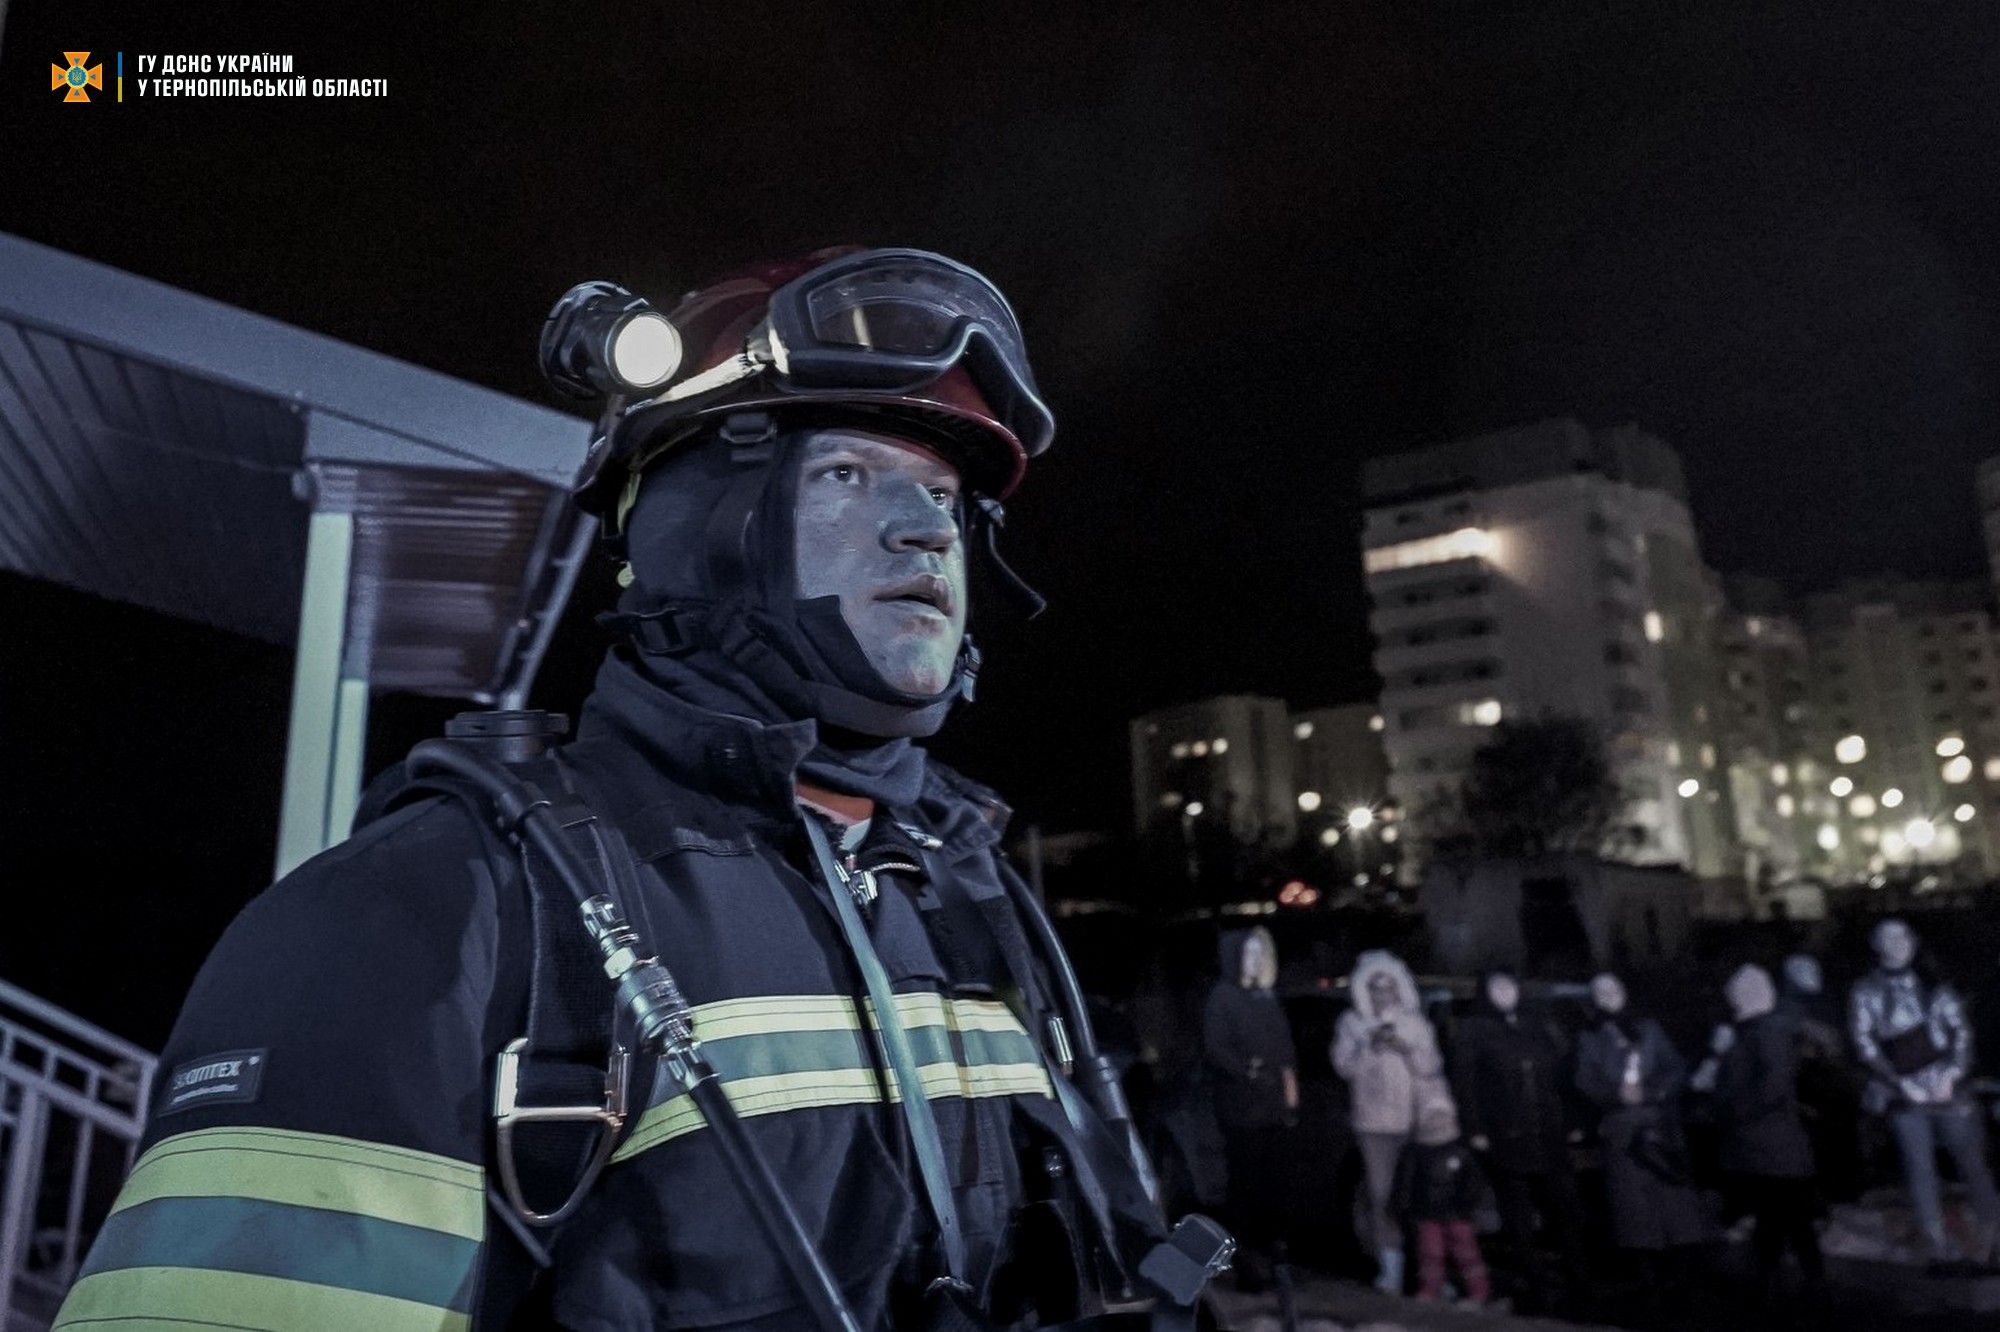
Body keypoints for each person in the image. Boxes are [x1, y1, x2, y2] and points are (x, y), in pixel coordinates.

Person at [55, 248, 1205, 1330]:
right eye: (851, 473)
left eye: (946, 498)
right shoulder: (425, 913)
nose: (922, 532)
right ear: (696, 525)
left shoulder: (968, 896)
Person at [1849, 916, 2000, 1266]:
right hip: (1904, 1093)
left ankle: (1993, 1235)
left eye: (1903, 937)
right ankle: (1937, 1246)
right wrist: (1899, 1082)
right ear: (1876, 945)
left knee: (1971, 1162)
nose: (1898, 944)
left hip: (1948, 1088)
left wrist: (1951, 1073)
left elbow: (1961, 1033)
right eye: (1889, 938)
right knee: (1920, 1169)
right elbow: (1864, 1043)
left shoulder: (1935, 985)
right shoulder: (1867, 991)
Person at [1450, 968, 1586, 1308]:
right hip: (1506, 1133)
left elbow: (1562, 1075)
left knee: (1564, 1205)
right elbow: (1465, 1085)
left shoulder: (1536, 1025)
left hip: (1548, 1130)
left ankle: (1578, 1273)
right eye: (1497, 987)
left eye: (1509, 985)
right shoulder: (1474, 1030)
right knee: (1518, 1211)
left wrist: (1571, 1119)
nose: (1505, 992)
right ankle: (1534, 1277)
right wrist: (1476, 1129)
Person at [1573, 973, 1707, 1276]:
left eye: (1614, 990)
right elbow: (1584, 1080)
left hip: (1658, 1123)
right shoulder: (1589, 1038)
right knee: (1634, 1204)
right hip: (1620, 1127)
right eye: (1602, 993)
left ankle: (1685, 1261)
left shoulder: (1649, 1030)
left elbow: (1674, 1068)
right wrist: (1615, 1096)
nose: (1609, 997)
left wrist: (1651, 1091)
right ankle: (1646, 1267)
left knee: (1671, 1195)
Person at [1713, 965, 1826, 1308]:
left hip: (1772, 1146)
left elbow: (1771, 1088)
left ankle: (1789, 1288)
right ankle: (1793, 1286)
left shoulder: (1764, 1034)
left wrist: (1736, 1113)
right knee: (1783, 1219)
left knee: (1783, 1219)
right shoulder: (1752, 1033)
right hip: (1768, 1148)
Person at [1332, 949, 1444, 1294]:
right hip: (1374, 1126)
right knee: (1382, 1198)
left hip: (1415, 1123)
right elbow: (1343, 1066)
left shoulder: (1415, 1023)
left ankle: (1433, 1277)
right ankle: (1391, 1271)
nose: (1383, 993)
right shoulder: (1352, 1023)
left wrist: (1405, 1047)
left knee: (1424, 1198)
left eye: (1389, 985)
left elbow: (1430, 1066)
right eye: (1375, 986)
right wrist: (1369, 1047)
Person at [1202, 926, 1298, 1290]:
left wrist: (1290, 1101)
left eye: (1261, 953)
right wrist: (1247, 1071)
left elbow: (1286, 1053)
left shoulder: (1265, 998)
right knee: (1245, 1188)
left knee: (1276, 1189)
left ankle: (1277, 1263)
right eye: (1250, 953)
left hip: (1273, 1111)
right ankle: (1244, 1266)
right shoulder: (1223, 997)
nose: (1256, 960)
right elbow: (1216, 1050)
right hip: (1242, 1112)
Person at [1389, 1092, 1493, 1308]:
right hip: (1427, 1214)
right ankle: (1431, 1290)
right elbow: (1405, 1182)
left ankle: (1479, 1292)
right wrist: (1400, 1205)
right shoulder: (1415, 1151)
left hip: (1457, 1214)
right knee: (1430, 1254)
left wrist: (1467, 1205)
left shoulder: (1460, 1151)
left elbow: (1472, 1183)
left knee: (1467, 1254)